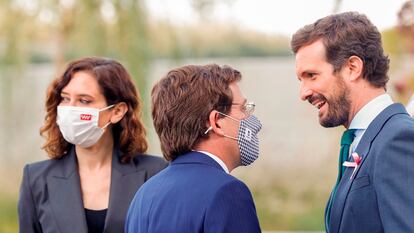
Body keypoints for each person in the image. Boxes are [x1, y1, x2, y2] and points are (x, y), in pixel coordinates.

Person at [291, 12, 414, 233]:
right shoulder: (360, 140)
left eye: (312, 75)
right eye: (301, 80)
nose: (303, 93)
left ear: (353, 68)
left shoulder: (398, 139)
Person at [18, 57, 167, 233]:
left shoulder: (155, 174)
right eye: (65, 99)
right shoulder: (36, 179)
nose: (70, 109)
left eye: (84, 100)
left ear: (117, 111)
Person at [125, 64, 262, 233]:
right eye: (243, 108)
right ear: (216, 121)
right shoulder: (228, 192)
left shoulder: (144, 194)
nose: (250, 118)